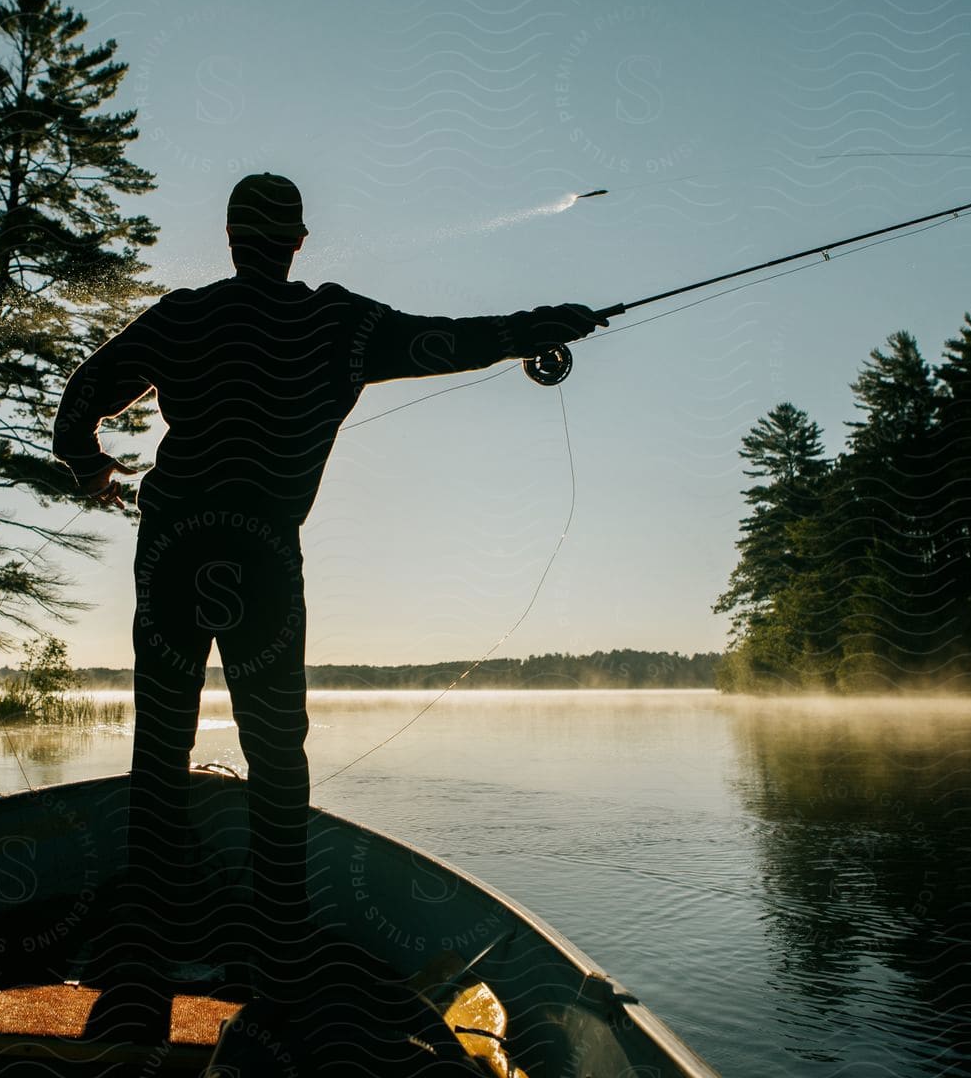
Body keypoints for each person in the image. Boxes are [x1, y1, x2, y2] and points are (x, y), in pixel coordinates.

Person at [52, 172, 608, 999]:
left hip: (173, 551)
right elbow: (451, 340)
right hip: (263, 556)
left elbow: (77, 406)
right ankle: (276, 953)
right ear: (298, 241)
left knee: (159, 747)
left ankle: (142, 946)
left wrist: (93, 467)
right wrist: (540, 328)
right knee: (277, 756)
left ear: (233, 239)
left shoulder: (181, 317)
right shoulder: (339, 324)